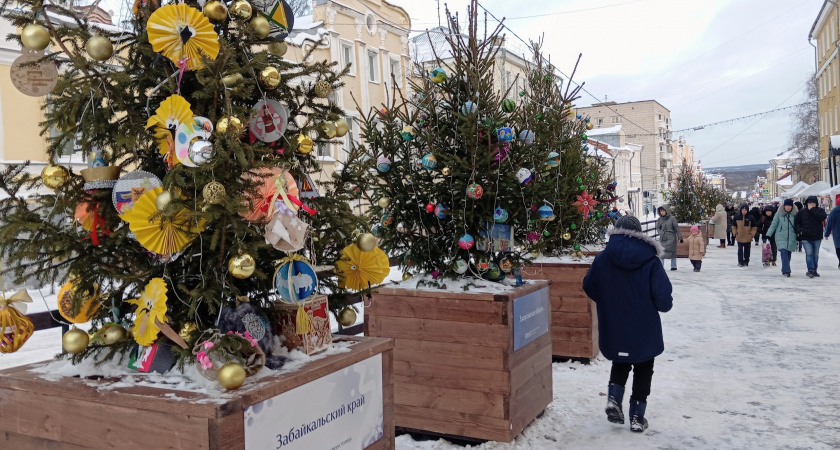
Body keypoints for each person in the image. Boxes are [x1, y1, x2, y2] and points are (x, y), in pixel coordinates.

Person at [583, 215, 673, 433]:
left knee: (621, 360)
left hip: (614, 322)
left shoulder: (603, 257)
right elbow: (662, 298)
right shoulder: (650, 260)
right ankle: (637, 416)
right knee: (644, 366)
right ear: (639, 233)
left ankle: (614, 399)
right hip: (644, 324)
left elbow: (589, 286)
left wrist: (608, 301)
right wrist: (664, 304)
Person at [795, 195, 828, 278]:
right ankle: (810, 270)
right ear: (807, 203)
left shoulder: (820, 210)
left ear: (816, 203)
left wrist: (813, 210)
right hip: (805, 236)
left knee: (815, 254)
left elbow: (822, 218)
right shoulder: (802, 212)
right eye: (810, 203)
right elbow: (797, 222)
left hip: (817, 236)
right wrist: (799, 231)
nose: (812, 204)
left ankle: (815, 270)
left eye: (813, 203)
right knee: (809, 253)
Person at [767, 199, 798, 277]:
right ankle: (786, 270)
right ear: (784, 206)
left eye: (789, 206)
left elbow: (798, 225)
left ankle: (785, 268)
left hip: (791, 236)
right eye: (786, 206)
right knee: (783, 252)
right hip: (780, 235)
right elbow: (774, 224)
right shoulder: (778, 214)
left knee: (788, 253)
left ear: (792, 206)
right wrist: (769, 234)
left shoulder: (795, 214)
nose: (788, 208)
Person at [655, 205, 682, 270]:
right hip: (663, 237)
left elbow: (676, 228)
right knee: (661, 251)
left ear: (666, 211)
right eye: (661, 211)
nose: (662, 212)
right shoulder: (660, 219)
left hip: (671, 237)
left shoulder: (672, 218)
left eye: (663, 211)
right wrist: (660, 232)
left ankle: (673, 266)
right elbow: (658, 227)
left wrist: (680, 237)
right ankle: (661, 266)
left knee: (672, 251)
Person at [825, 194, 840, 269]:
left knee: (838, 248)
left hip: (837, 234)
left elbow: (829, 224)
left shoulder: (833, 212)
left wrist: (826, 234)